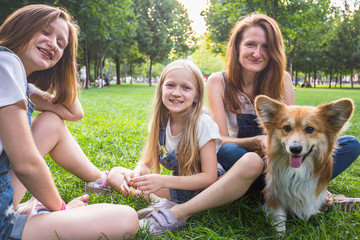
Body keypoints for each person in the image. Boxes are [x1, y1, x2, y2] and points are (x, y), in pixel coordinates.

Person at [137, 13, 360, 236]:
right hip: (238, 161)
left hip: (280, 160)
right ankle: (306, 196)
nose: (257, 53)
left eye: (265, 46)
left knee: (349, 144)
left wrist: (280, 145)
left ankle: (306, 193)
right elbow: (219, 139)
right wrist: (254, 141)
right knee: (230, 150)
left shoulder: (283, 79)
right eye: (250, 44)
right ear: (237, 47)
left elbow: (296, 132)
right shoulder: (218, 81)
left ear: (274, 50)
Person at [0, 4, 138, 239]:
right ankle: (38, 211)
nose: (53, 43)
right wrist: (62, 211)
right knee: (127, 219)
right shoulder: (6, 65)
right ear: (22, 26)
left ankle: (99, 180)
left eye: (61, 44)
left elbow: (73, 113)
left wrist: (64, 69)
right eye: (45, 32)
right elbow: (26, 164)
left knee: (52, 121)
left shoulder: (18, 78)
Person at [107, 59, 224, 215]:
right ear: (161, 89)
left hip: (202, 189)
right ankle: (158, 202)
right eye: (170, 85)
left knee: (128, 181)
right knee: (115, 174)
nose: (176, 93)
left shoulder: (203, 123)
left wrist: (163, 181)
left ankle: (158, 202)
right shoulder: (160, 123)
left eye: (186, 88)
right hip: (178, 184)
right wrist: (135, 175)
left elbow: (209, 177)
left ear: (196, 96)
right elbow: (146, 163)